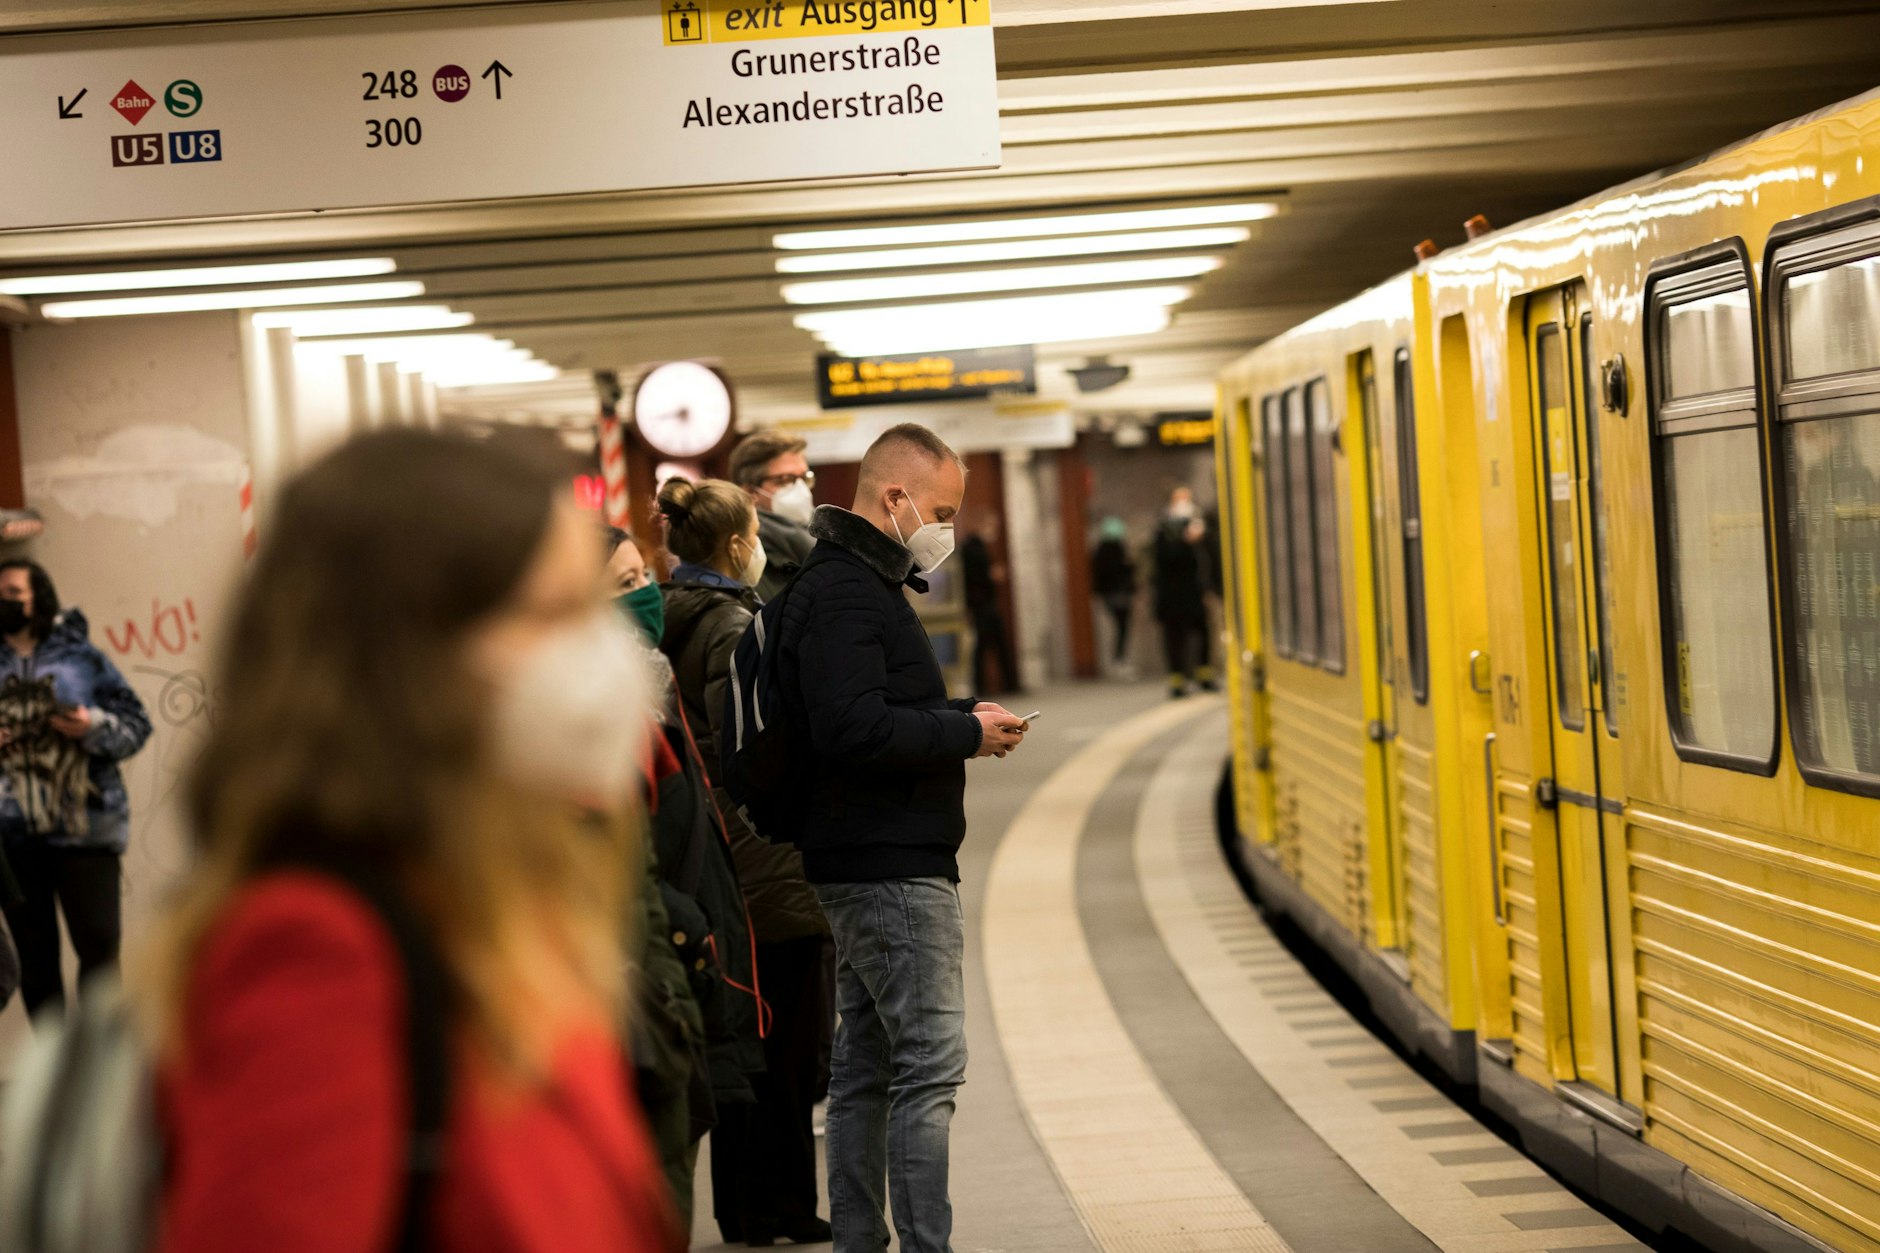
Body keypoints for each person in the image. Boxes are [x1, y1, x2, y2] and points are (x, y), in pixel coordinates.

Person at [151, 429, 681, 1251]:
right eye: (554, 615)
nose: (599, 652)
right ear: (407, 657)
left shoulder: (507, 899)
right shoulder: (317, 948)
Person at [772, 423, 1027, 1253]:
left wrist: (962, 718)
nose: (943, 527)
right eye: (940, 509)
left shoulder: (846, 581)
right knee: (927, 1069)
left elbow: (868, 710)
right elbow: (851, 728)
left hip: (865, 857)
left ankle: (860, 1240)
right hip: (888, 865)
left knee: (867, 1070)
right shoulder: (848, 590)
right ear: (895, 498)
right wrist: (962, 737)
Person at [655, 478, 833, 1247]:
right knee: (787, 1042)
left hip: (728, 852)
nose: (763, 543)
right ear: (736, 545)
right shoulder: (730, 624)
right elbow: (747, 750)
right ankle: (782, 1206)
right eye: (757, 530)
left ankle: (750, 1205)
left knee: (752, 1040)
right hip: (760, 855)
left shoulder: (676, 616)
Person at [607, 527, 717, 1233]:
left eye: (641, 574)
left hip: (663, 970)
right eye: (619, 585)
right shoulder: (584, 719)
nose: (643, 592)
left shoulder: (649, 680)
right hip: (637, 986)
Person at [0, 559, 152, 1017]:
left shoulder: (83, 659)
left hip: (87, 828)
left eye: (12, 591)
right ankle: (54, 1079)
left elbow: (136, 726)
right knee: (36, 964)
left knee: (100, 951)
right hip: (13, 838)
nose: (3, 601)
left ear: (38, 596)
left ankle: (100, 1071)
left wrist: (91, 726)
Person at [729, 430, 817, 602]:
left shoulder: (827, 540)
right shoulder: (742, 560)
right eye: (784, 479)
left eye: (804, 478)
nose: (801, 489)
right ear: (749, 492)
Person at [1152, 486, 1219, 698]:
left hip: (1195, 594)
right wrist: (1185, 541)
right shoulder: (1163, 530)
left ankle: (1205, 676)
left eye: (1186, 499)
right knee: (1174, 639)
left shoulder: (1200, 528)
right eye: (1179, 499)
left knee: (1203, 634)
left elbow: (1210, 560)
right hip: (1171, 597)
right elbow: (1163, 560)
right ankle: (1177, 681)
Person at [960, 516, 1017, 695]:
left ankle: (1004, 684)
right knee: (986, 645)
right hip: (981, 604)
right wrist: (990, 574)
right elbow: (975, 576)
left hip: (983, 603)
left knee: (991, 645)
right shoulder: (972, 548)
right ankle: (991, 685)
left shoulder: (974, 547)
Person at [1090, 516, 1138, 677]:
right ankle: (1119, 660)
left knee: (1120, 627)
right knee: (1122, 626)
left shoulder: (1100, 550)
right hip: (1119, 592)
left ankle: (1118, 659)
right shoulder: (1116, 549)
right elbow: (1118, 570)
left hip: (1110, 593)